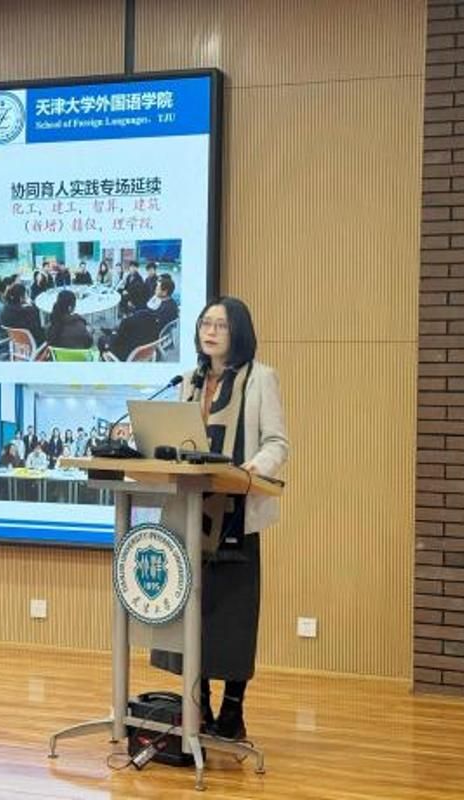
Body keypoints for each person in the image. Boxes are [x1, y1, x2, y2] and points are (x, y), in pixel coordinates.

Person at [150, 297, 289, 743]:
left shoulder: (261, 378)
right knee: (191, 614)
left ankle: (233, 709)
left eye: (220, 326)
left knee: (232, 616)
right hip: (189, 514)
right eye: (205, 324)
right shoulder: (188, 381)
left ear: (238, 332)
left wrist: (253, 468)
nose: (210, 332)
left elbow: (277, 443)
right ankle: (200, 706)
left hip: (234, 516)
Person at [0, 282, 45, 346]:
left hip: (17, 344)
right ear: (21, 297)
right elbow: (38, 328)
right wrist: (32, 306)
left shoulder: (6, 309)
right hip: (34, 343)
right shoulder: (28, 311)